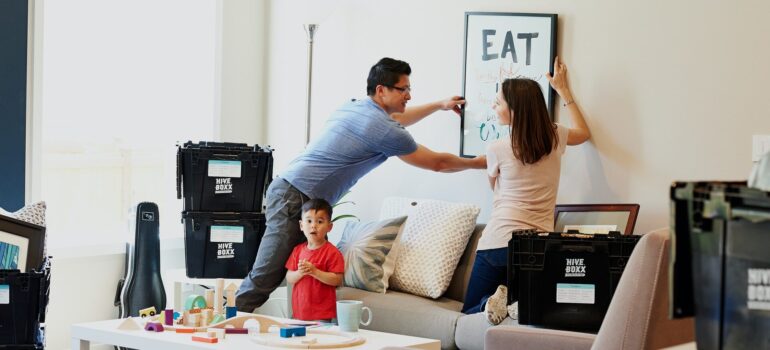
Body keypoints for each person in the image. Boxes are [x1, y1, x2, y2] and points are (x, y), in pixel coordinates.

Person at [236, 57, 487, 312]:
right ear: (381, 90)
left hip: (291, 191)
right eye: (404, 89)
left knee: (279, 272)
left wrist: (438, 105)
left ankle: (239, 322)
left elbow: (399, 119)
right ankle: (225, 327)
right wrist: (481, 162)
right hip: (296, 197)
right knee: (267, 274)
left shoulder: (356, 106)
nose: (408, 96)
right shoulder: (383, 129)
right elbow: (438, 163)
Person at [461, 57, 592, 325]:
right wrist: (564, 91)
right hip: (538, 246)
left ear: (515, 109)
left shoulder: (497, 148)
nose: (494, 106)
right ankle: (513, 303)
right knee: (528, 315)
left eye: (498, 102)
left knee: (470, 312)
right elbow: (584, 133)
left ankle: (492, 302)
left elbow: (495, 190)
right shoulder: (555, 136)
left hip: (497, 242)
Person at [285, 198, 344, 321]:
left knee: (321, 340)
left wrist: (315, 272)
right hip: (299, 312)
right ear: (301, 225)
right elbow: (289, 277)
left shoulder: (332, 252)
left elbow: (337, 279)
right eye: (309, 221)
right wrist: (300, 273)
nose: (313, 225)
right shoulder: (298, 251)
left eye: (320, 221)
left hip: (322, 315)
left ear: (329, 226)